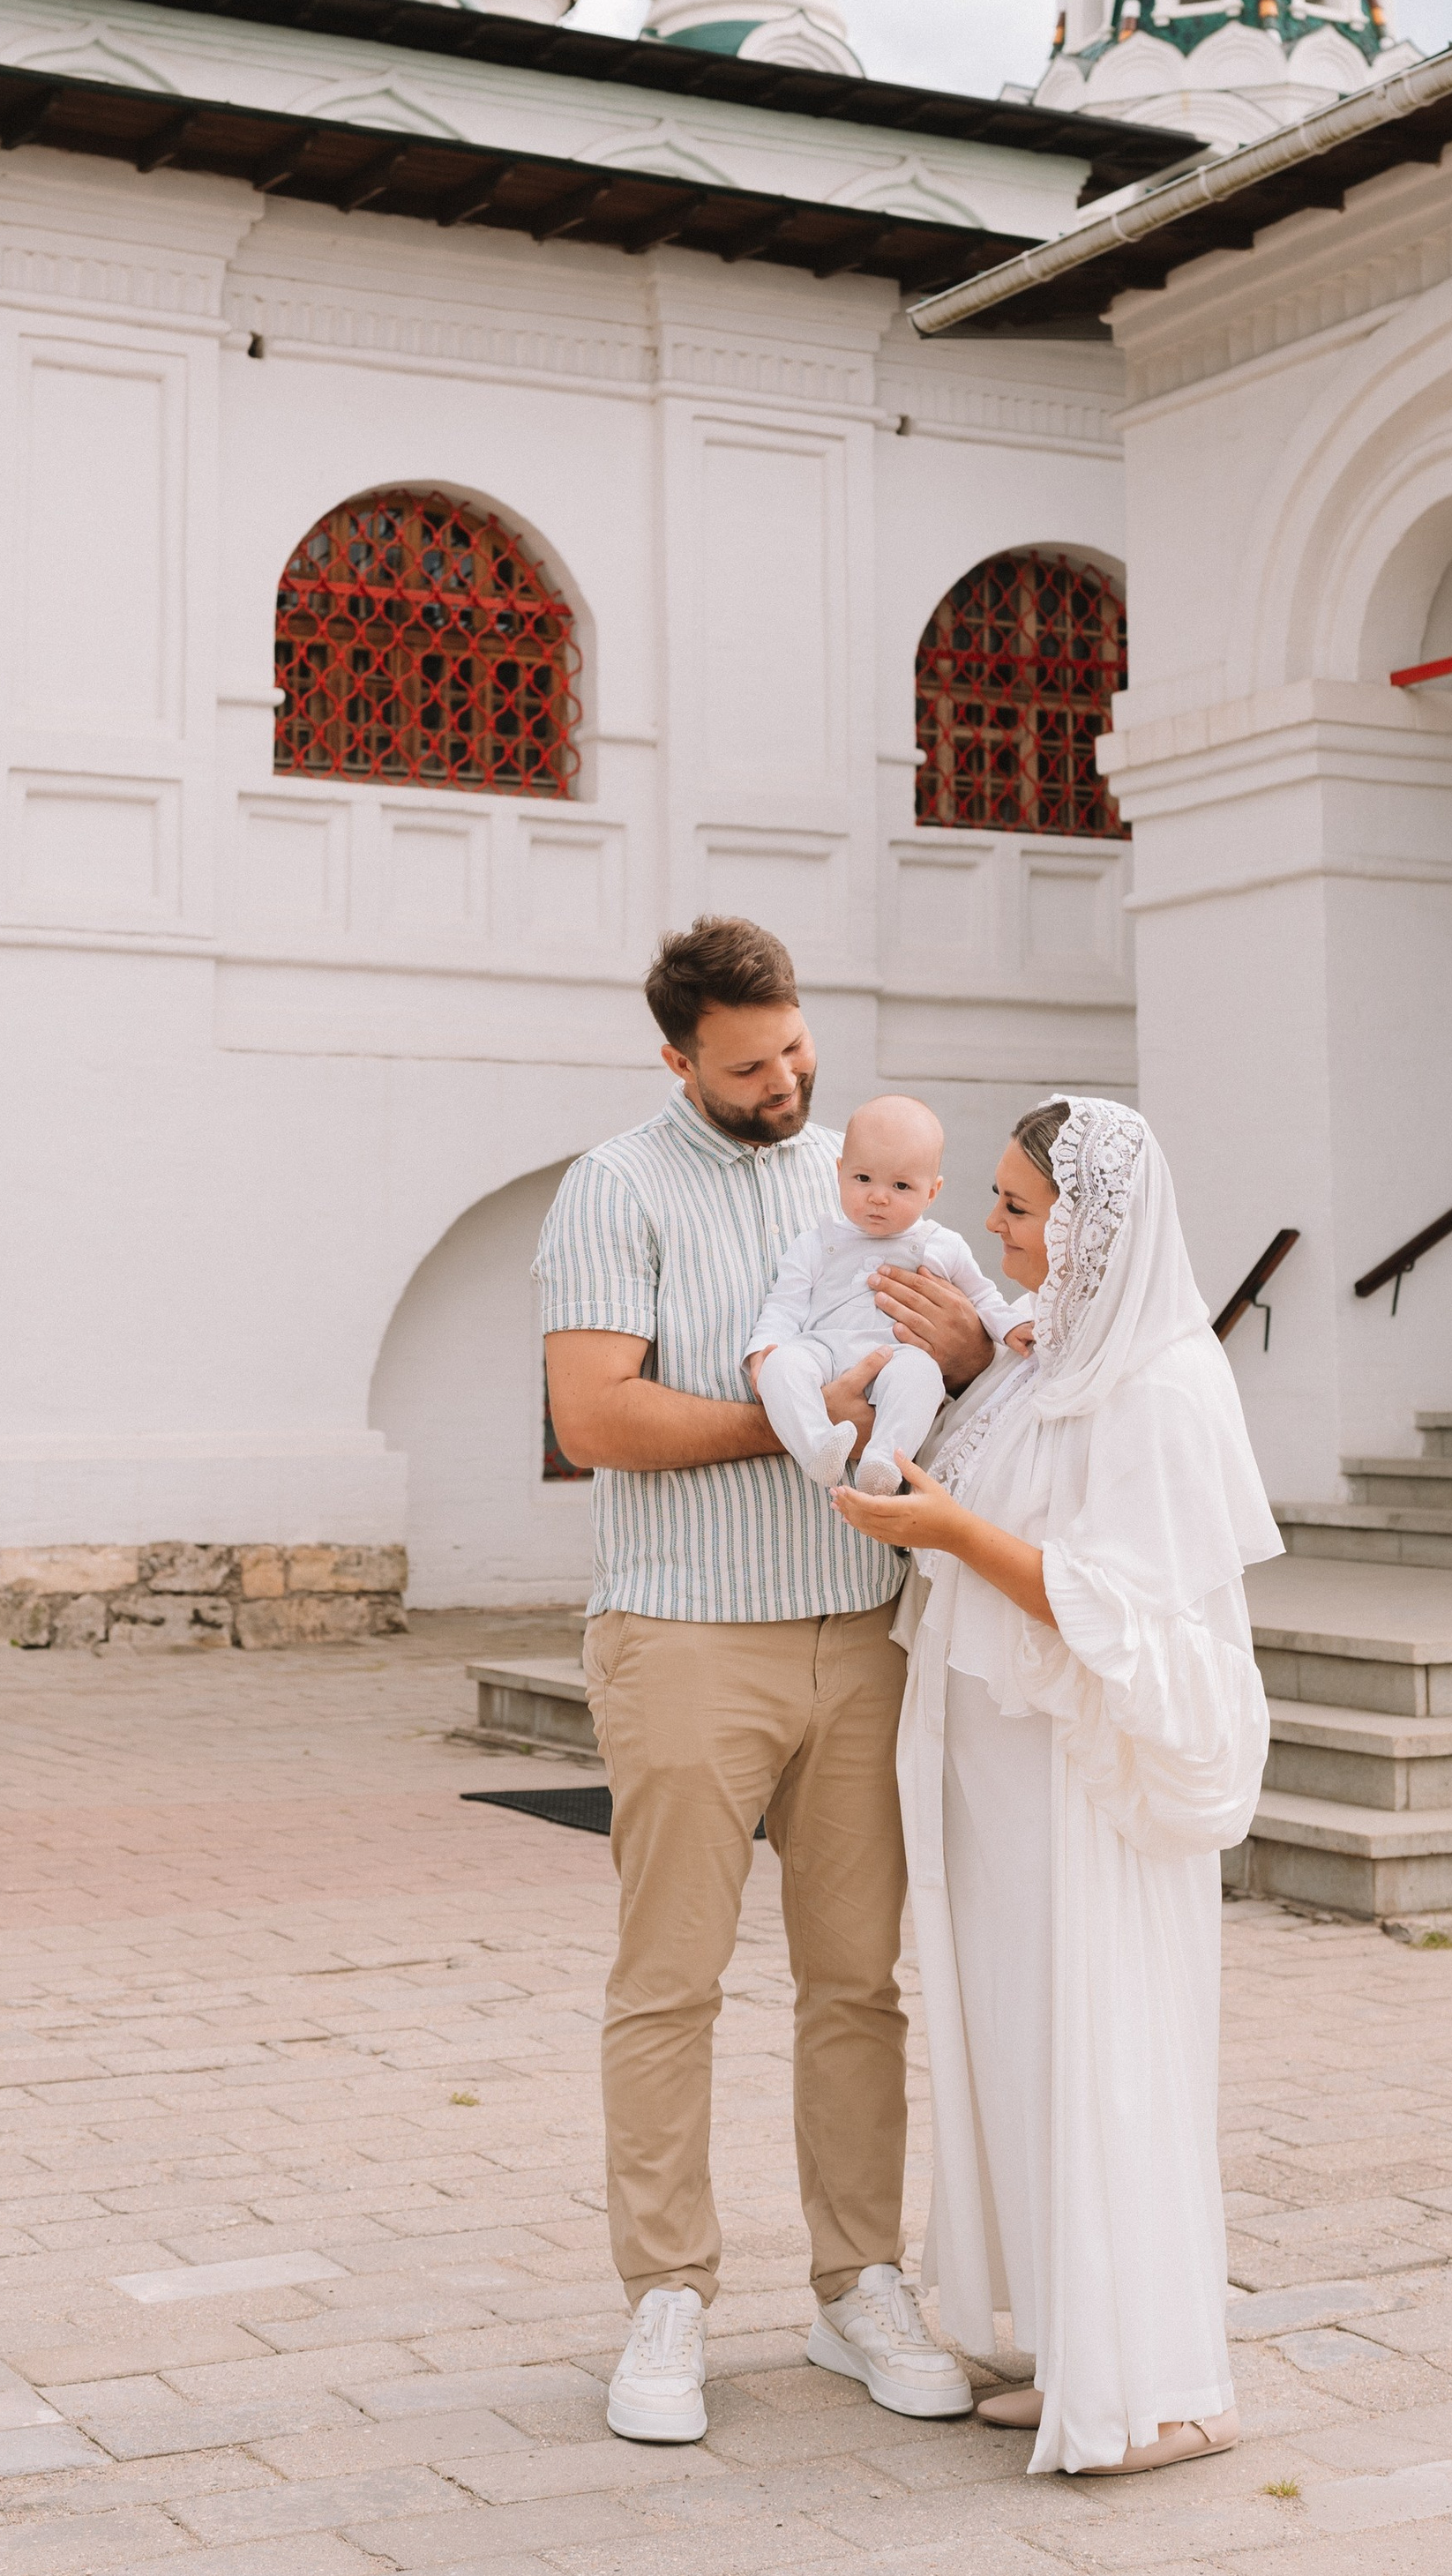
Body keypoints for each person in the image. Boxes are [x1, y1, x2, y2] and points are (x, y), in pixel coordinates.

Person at [535, 915, 994, 2445]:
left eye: (797, 1048)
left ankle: (858, 2284)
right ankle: (666, 2300)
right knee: (668, 1982)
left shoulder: (857, 1172)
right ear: (680, 1061)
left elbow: (965, 1360)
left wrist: (952, 1364)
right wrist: (801, 1410)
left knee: (858, 1983)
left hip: (861, 1630)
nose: (789, 1081)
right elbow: (595, 1419)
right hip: (684, 1639)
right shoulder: (613, 1189)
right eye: (752, 1067)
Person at [833, 1094, 1283, 2477]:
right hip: (996, 1771)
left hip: (1080, 1779)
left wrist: (955, 1527)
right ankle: (1085, 2342)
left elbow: (1134, 1607)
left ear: (1092, 1229)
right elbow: (989, 1479)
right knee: (1024, 2042)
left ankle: (1161, 2388)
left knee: (1104, 2047)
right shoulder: (1046, 1359)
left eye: (1020, 1208)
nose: (993, 1226)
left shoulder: (1161, 1384)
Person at [748, 1093, 1024, 1497]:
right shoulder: (816, 1242)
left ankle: (884, 1457)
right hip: (822, 1350)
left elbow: (984, 1299)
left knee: (923, 1376)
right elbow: (784, 1305)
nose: (879, 1196)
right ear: (840, 1172)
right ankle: (816, 1446)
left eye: (901, 1185)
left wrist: (1012, 1325)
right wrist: (764, 1349)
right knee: (781, 1366)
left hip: (896, 1354)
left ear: (932, 1193)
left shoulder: (940, 1245)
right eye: (863, 1179)